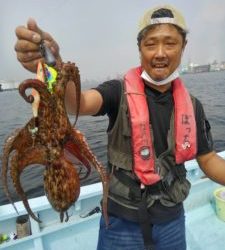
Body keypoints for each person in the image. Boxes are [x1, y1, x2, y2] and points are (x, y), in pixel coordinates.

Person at [15, 5, 225, 250]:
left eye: (170, 43)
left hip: (171, 220)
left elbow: (208, 159)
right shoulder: (118, 92)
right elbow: (78, 103)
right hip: (120, 222)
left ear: (183, 46)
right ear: (139, 49)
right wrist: (52, 64)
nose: (160, 53)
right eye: (150, 44)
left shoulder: (193, 106)